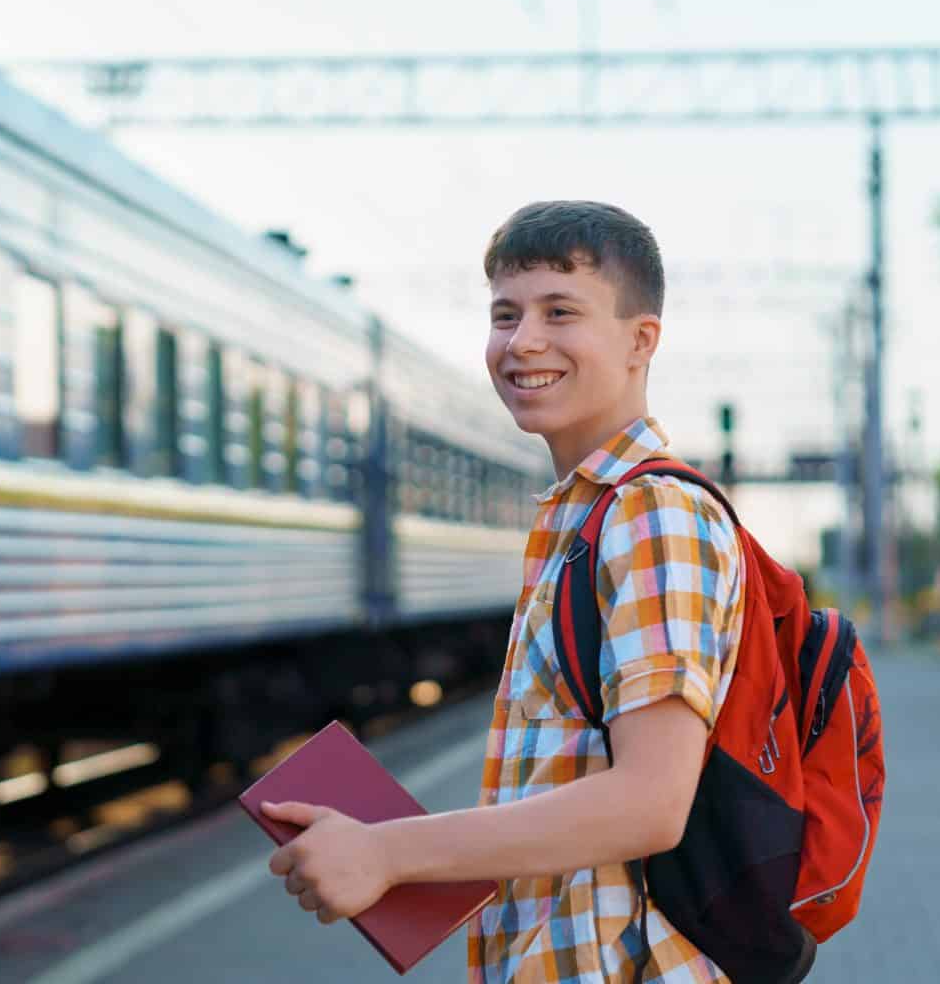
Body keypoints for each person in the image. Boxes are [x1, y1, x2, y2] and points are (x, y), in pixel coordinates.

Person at [262, 200, 744, 983]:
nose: (523, 343)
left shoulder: (651, 512)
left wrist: (386, 851)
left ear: (639, 340)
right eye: (504, 315)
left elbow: (650, 802)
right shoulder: (580, 520)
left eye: (561, 312)